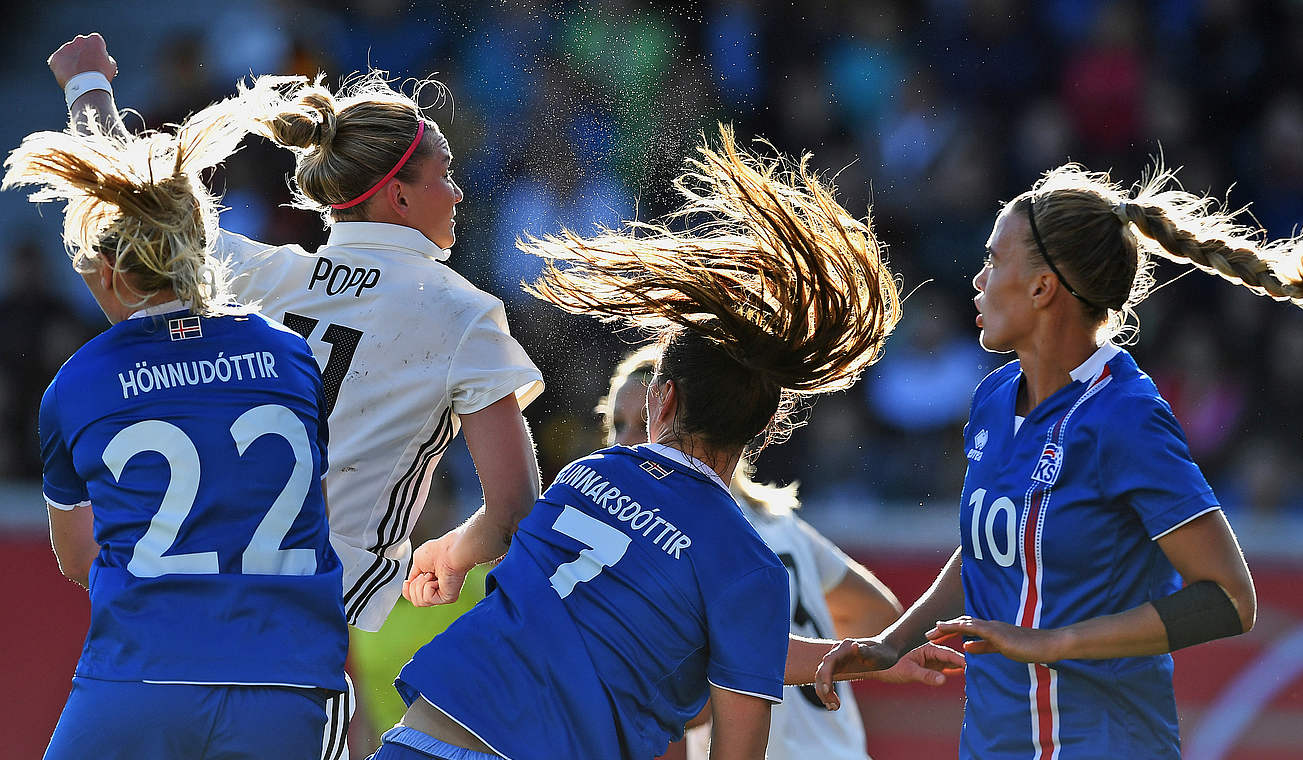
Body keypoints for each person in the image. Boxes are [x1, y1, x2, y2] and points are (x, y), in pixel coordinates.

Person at [370, 126, 962, 760]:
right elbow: (726, 679)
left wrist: (451, 554)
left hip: (424, 734)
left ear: (665, 400)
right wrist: (858, 658)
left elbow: (572, 569)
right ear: (761, 430)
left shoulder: (590, 475)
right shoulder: (748, 565)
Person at [49, 34, 544, 760]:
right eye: (446, 173)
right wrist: (452, 552)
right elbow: (515, 512)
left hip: (173, 613)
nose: (461, 191)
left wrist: (88, 87)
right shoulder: (462, 313)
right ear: (398, 192)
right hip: (297, 634)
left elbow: (125, 199)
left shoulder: (253, 275)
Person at [815, 163, 1303, 758]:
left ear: (1043, 288)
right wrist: (892, 643)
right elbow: (991, 549)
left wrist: (1055, 642)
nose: (978, 279)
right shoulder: (993, 396)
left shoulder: (1127, 417)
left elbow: (1230, 598)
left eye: (993, 260)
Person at [4, 81, 347, 759]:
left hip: (140, 676)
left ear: (107, 270)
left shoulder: (79, 382)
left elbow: (80, 559)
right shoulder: (290, 355)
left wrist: (86, 89)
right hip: (286, 682)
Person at [599, 346, 905, 760]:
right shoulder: (779, 522)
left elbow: (684, 708)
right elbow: (878, 613)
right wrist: (812, 658)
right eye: (617, 425)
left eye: (641, 423)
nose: (625, 441)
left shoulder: (671, 539)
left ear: (670, 410)